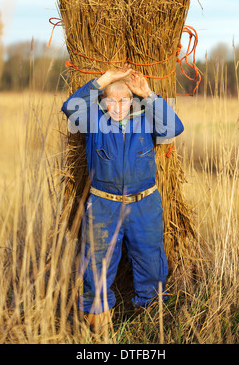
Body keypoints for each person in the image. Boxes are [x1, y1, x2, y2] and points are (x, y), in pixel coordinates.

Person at [61, 65, 184, 331]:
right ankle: (96, 324)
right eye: (112, 100)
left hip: (144, 204)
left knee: (151, 260)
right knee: (96, 262)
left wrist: (148, 94)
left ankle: (150, 320)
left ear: (132, 101)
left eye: (124, 100)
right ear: (103, 102)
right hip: (103, 203)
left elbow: (174, 127)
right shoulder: (94, 120)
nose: (118, 107)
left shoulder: (147, 119)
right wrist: (103, 80)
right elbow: (70, 107)